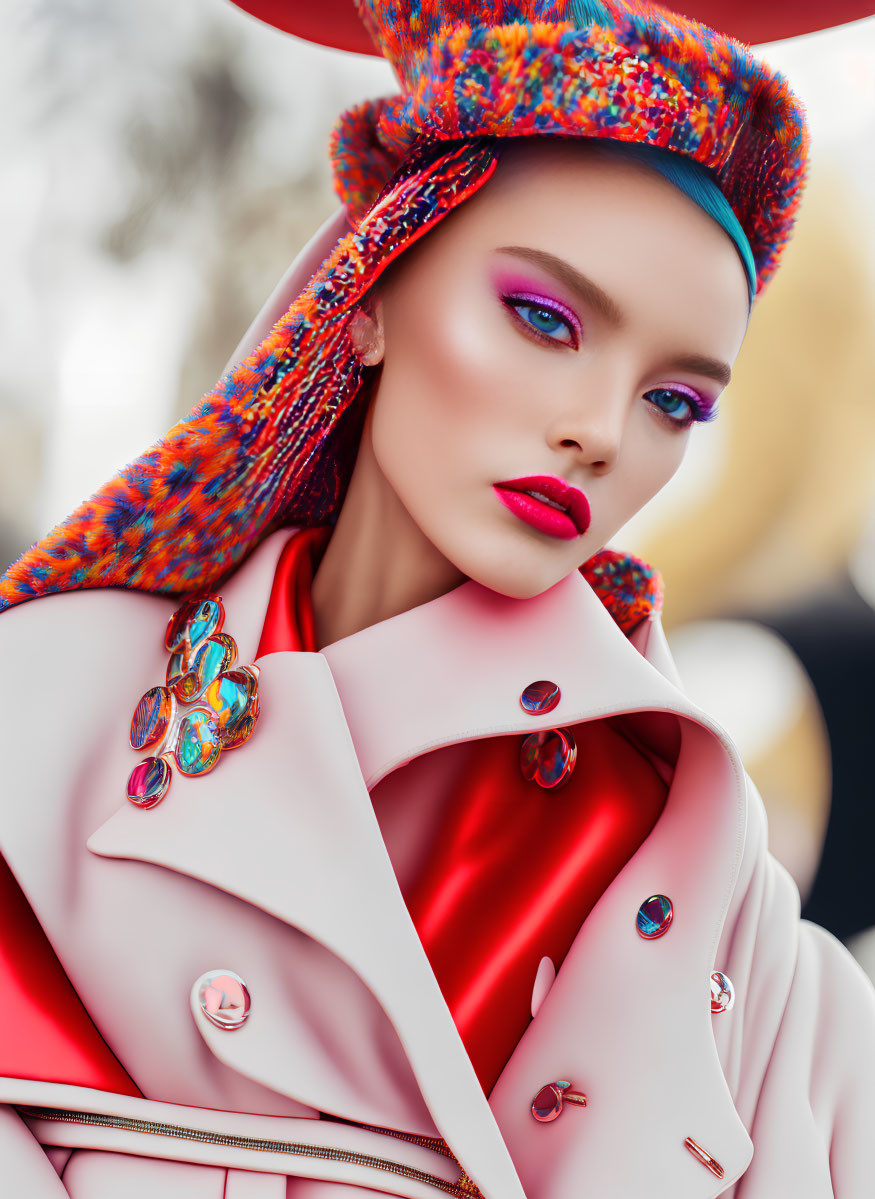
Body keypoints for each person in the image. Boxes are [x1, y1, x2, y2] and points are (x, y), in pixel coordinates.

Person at [1, 2, 873, 1196]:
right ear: (366, 292)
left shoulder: (741, 947)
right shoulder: (42, 719)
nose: (600, 431)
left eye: (674, 400)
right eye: (542, 319)